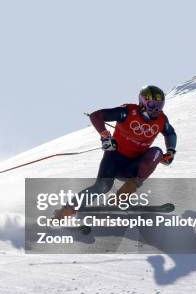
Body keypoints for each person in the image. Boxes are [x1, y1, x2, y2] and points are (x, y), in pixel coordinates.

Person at [56, 85, 177, 217]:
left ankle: (123, 195)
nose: (156, 109)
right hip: (113, 160)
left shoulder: (161, 120)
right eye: (152, 104)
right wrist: (105, 136)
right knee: (102, 187)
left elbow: (170, 133)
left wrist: (170, 151)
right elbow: (96, 115)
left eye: (159, 105)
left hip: (133, 167)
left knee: (157, 152)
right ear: (142, 102)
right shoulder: (127, 112)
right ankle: (64, 212)